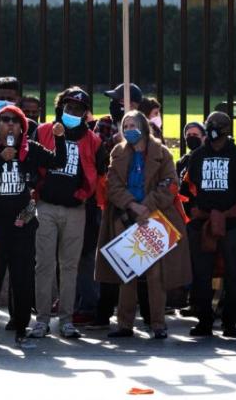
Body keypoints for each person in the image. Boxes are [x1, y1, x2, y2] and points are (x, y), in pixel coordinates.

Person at [0, 106, 67, 350]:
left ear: (23, 127)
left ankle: (21, 328)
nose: (10, 125)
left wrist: (60, 138)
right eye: (5, 120)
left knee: (23, 278)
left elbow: (59, 161)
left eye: (15, 121)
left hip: (22, 224)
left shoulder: (30, 150)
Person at [98, 110, 191, 339]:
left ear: (143, 126)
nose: (129, 129)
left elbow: (170, 183)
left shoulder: (162, 152)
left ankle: (158, 324)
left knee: (155, 274)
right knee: (126, 274)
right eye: (126, 126)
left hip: (154, 219)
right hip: (126, 216)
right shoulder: (118, 152)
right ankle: (125, 324)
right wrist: (132, 205)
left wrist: (147, 206)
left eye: (133, 125)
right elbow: (113, 185)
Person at [182, 111, 236, 338]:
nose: (211, 128)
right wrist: (192, 216)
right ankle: (204, 321)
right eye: (209, 124)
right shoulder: (197, 157)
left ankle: (230, 323)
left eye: (215, 125)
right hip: (203, 223)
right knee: (201, 274)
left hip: (232, 223)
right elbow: (186, 191)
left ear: (225, 130)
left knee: (234, 274)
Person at [30, 87, 100, 340]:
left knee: (69, 266)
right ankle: (41, 320)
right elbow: (32, 163)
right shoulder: (43, 131)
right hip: (46, 206)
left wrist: (83, 195)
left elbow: (96, 173)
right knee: (44, 265)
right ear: (61, 107)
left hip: (76, 209)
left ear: (85, 113)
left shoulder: (92, 139)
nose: (73, 112)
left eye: (79, 109)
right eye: (69, 107)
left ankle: (67, 320)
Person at [92, 82, 143, 328]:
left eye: (119, 100)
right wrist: (117, 139)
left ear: (132, 104)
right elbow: (97, 154)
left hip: (141, 204)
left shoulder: (146, 128)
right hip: (112, 202)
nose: (115, 104)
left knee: (142, 260)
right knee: (110, 258)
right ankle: (103, 314)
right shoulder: (104, 124)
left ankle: (141, 315)